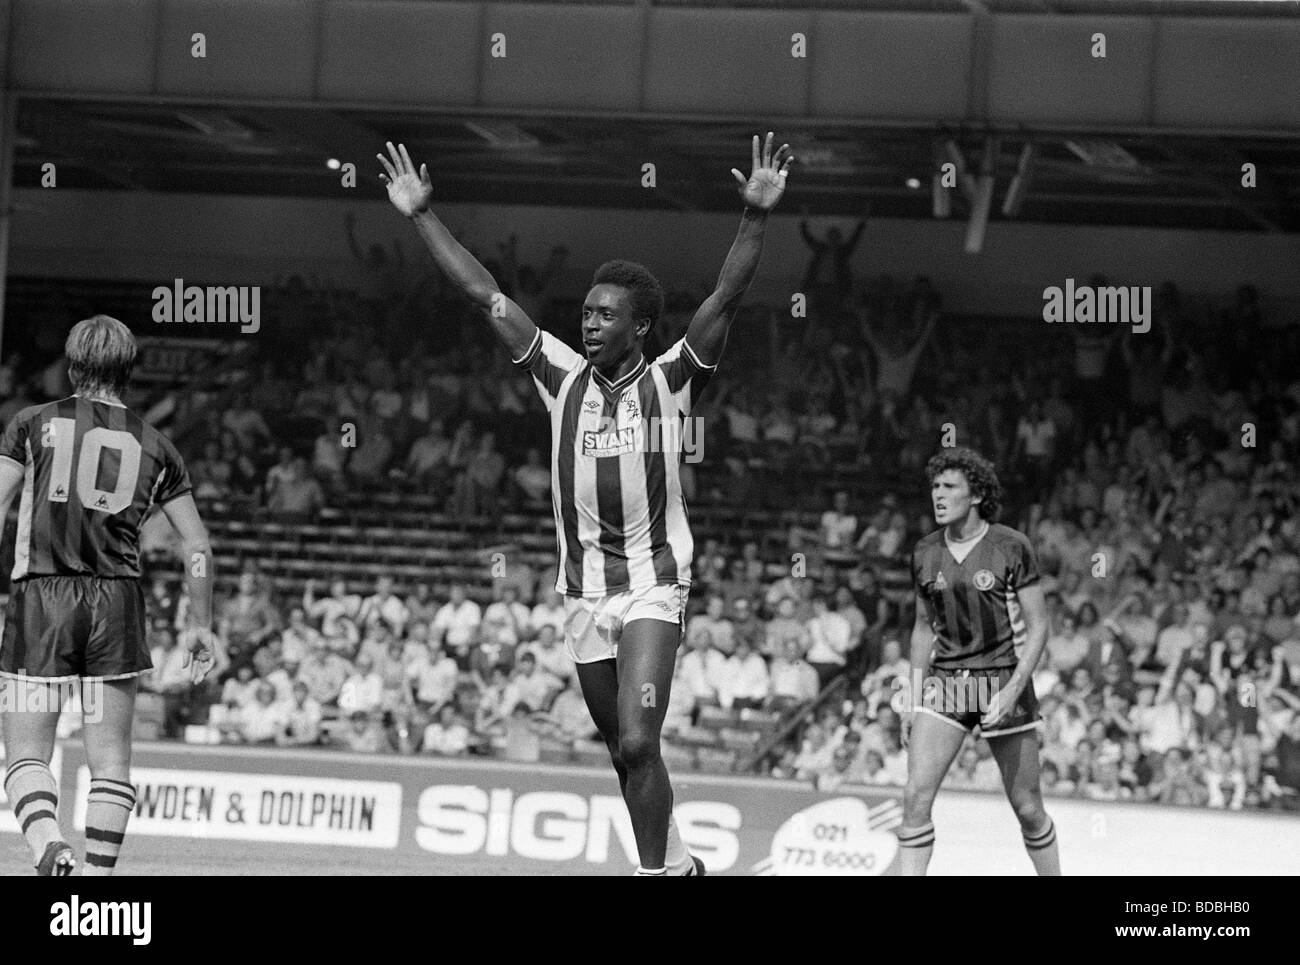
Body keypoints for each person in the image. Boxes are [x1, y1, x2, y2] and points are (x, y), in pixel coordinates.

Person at [379, 131, 793, 876]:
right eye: (587, 312)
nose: (589, 321)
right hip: (582, 593)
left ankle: (652, 873)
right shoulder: (559, 375)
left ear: (639, 326)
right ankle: (685, 864)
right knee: (623, 751)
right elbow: (486, 294)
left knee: (638, 740)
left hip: (652, 584)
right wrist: (421, 215)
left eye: (606, 314)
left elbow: (726, 296)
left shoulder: (670, 378)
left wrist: (755, 216)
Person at [0, 316, 216, 876]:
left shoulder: (30, 424)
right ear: (129, 372)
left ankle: (50, 845)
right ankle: (93, 891)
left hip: (42, 602)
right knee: (112, 761)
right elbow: (196, 547)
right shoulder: (158, 445)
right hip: (115, 607)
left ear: (72, 366)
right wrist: (201, 624)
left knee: (26, 754)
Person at [897, 448, 1060, 876]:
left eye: (949, 486)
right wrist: (914, 699)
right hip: (948, 681)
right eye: (935, 486)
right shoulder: (924, 552)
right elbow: (921, 628)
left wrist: (1012, 690)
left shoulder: (1011, 545)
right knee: (915, 796)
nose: (938, 494)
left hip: (1004, 677)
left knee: (1027, 807)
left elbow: (1039, 625)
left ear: (976, 495)